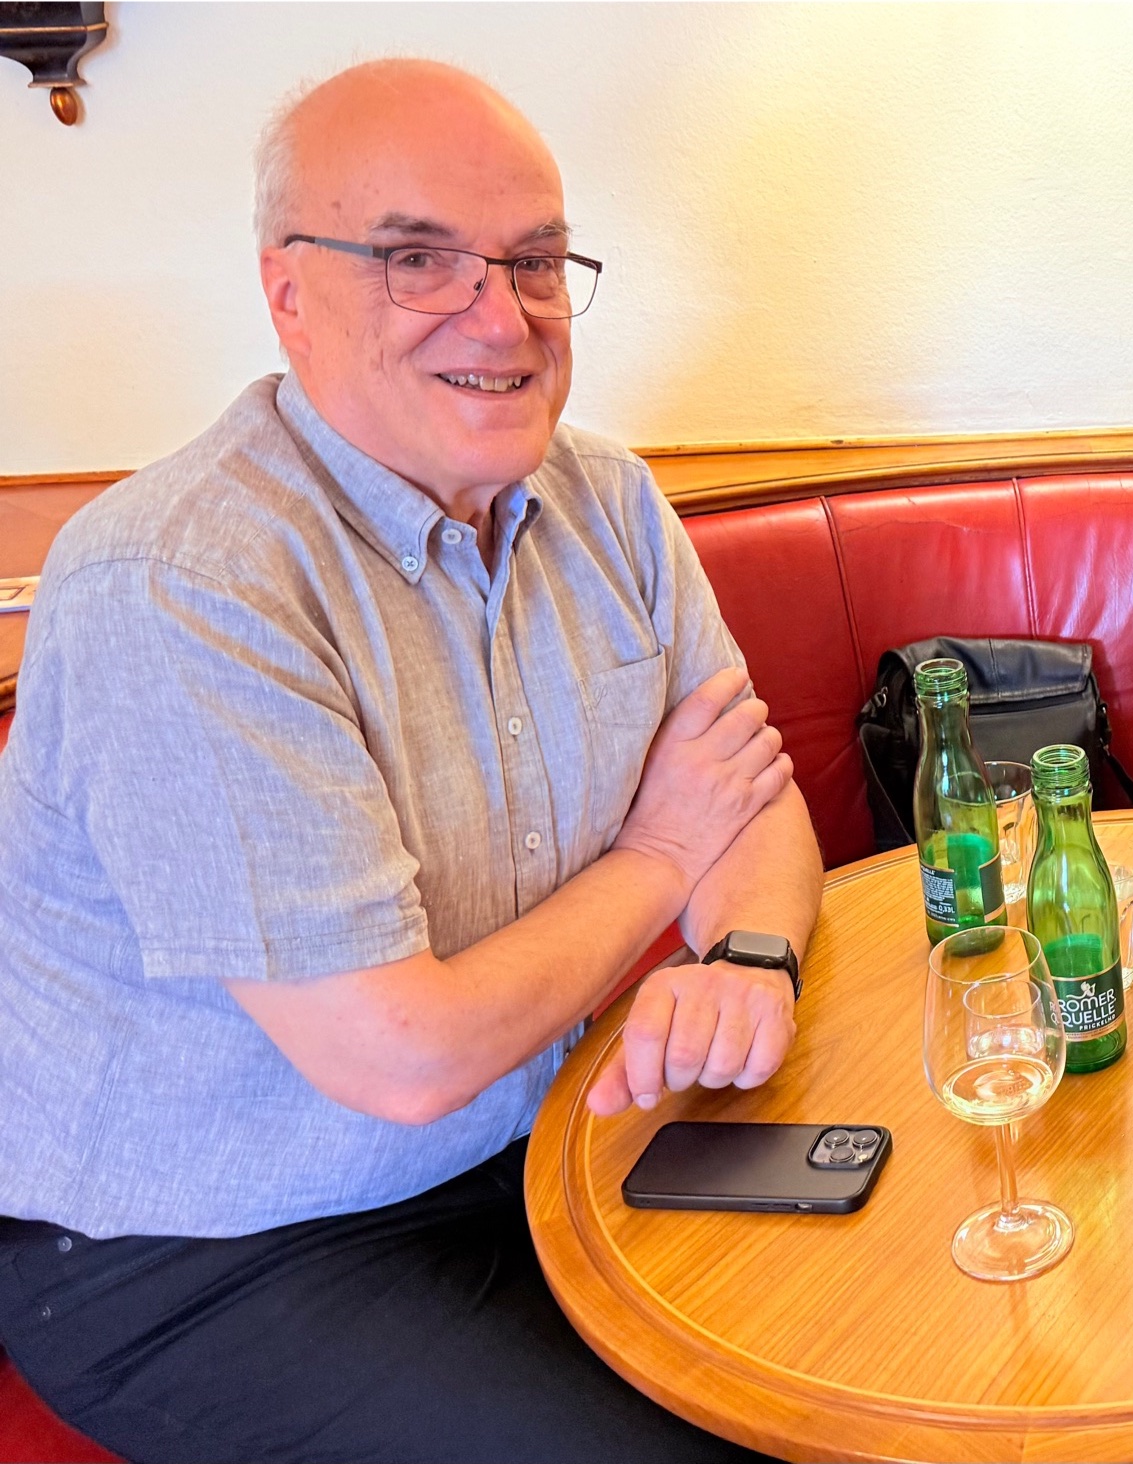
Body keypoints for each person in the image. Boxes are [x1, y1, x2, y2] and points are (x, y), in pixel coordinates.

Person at [0, 60, 819, 1463]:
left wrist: (749, 957)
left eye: (536, 261)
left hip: (533, 1145)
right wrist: (660, 855)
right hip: (205, 1253)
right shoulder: (181, 581)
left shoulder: (610, 501)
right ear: (289, 295)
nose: (500, 317)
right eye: (418, 261)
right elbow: (398, 1057)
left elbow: (750, 804)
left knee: (868, 1359)